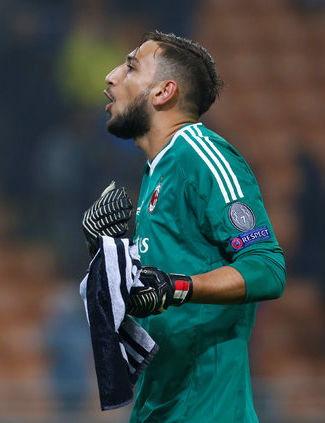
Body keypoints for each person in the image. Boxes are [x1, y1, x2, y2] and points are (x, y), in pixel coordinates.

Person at [81, 31, 286, 422]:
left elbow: (268, 268)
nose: (111, 76)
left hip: (207, 412)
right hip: (159, 409)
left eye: (130, 67)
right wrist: (107, 256)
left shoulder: (203, 156)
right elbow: (150, 302)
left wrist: (178, 287)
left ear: (164, 92)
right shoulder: (156, 173)